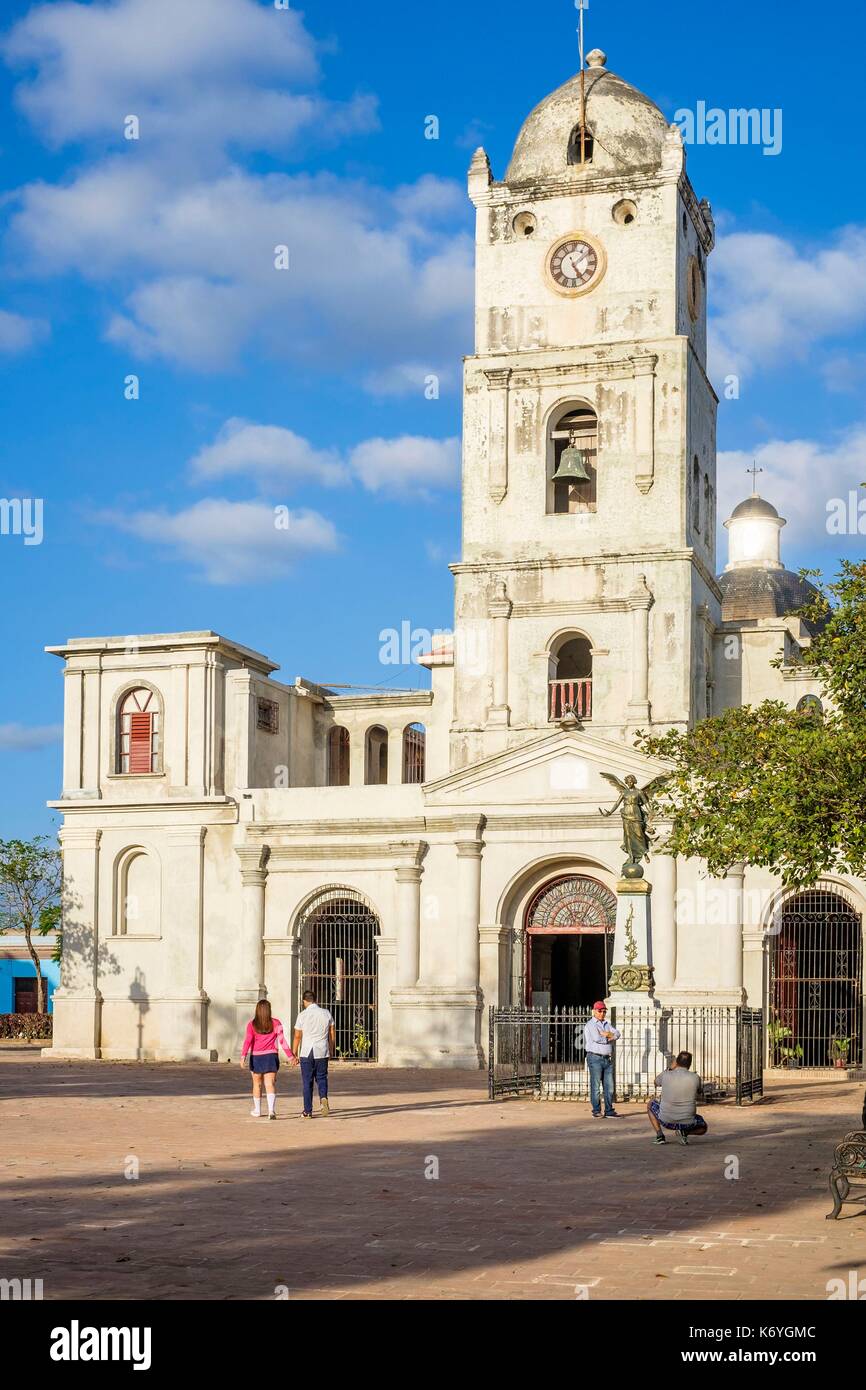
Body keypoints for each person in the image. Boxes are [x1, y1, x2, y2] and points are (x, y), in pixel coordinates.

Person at [239, 998, 296, 1120]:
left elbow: (248, 1041)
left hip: (256, 1057)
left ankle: (258, 1110)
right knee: (270, 1084)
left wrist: (243, 1056)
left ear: (257, 1010)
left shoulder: (251, 1025)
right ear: (269, 1010)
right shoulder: (276, 1023)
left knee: (257, 1084)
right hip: (271, 1056)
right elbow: (282, 1041)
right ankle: (271, 1110)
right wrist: (290, 1056)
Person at [647, 1050, 709, 1145]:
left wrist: (670, 1068)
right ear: (689, 1064)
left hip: (666, 1120)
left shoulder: (666, 1074)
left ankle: (660, 1135)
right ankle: (685, 1132)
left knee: (651, 1103)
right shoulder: (695, 1077)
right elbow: (700, 1091)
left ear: (676, 1062)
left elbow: (655, 1082)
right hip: (688, 1122)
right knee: (703, 1127)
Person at [293, 988, 335, 1119]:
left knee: (307, 1081)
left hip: (307, 1051)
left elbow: (298, 1036)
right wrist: (331, 1048)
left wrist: (293, 1053)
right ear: (315, 1000)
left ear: (305, 1001)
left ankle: (307, 1111)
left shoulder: (302, 1015)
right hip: (322, 1050)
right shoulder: (326, 1013)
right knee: (322, 1078)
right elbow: (332, 1032)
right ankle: (323, 1098)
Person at [583, 1001, 622, 1118]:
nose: (602, 1013)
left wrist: (607, 1034)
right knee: (595, 1086)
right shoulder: (591, 1024)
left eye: (604, 1011)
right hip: (595, 1058)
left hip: (607, 1058)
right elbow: (597, 1038)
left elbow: (618, 1034)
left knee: (609, 1086)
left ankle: (609, 1110)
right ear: (594, 1011)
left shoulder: (606, 1023)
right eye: (600, 1011)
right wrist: (610, 1036)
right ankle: (596, 1110)